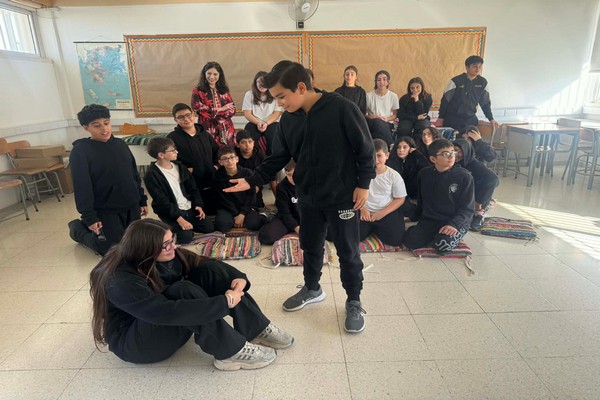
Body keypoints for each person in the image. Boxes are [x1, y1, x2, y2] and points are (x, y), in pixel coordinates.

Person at [224, 60, 375, 334]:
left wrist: (363, 185)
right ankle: (312, 288)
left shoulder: (342, 108)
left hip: (341, 196)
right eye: (275, 98)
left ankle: (354, 299)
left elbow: (365, 150)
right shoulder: (288, 120)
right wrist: (252, 179)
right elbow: (277, 158)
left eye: (282, 96)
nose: (279, 104)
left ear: (302, 87)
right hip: (308, 196)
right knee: (310, 245)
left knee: (348, 251)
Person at [89, 218, 293, 371]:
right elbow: (162, 312)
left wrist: (238, 278)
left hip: (161, 323)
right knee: (183, 291)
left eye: (172, 239)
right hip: (137, 344)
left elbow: (203, 263)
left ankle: (256, 328)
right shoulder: (119, 279)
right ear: (145, 249)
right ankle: (230, 352)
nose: (174, 246)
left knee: (209, 271)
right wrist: (224, 302)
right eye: (166, 244)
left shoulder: (157, 254)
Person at [68, 104, 148, 256]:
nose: (104, 129)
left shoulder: (121, 144)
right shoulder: (81, 151)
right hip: (105, 208)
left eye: (106, 123)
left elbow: (133, 175)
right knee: (111, 250)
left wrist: (141, 200)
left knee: (136, 244)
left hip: (130, 204)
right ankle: (78, 229)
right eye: (97, 125)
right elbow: (82, 186)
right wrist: (89, 217)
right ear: (86, 127)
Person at [403, 139, 474, 252]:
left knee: (442, 244)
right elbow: (421, 201)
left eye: (453, 152)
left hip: (453, 220)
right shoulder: (424, 174)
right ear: (433, 159)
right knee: (410, 241)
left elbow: (467, 209)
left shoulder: (465, 177)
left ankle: (448, 234)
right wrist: (414, 217)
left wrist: (455, 224)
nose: (451, 156)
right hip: (430, 220)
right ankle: (431, 234)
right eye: (446, 154)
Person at [143, 137, 214, 244]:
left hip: (188, 207)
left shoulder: (180, 167)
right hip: (171, 211)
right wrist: (179, 219)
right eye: (172, 150)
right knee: (186, 237)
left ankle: (185, 224)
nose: (176, 152)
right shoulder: (151, 175)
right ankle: (166, 227)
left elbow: (193, 189)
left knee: (209, 227)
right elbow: (162, 201)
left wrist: (198, 205)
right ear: (161, 155)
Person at [167, 103, 220, 215]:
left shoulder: (205, 134)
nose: (186, 119)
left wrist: (216, 166)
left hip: (211, 180)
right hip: (190, 184)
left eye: (188, 115)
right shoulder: (172, 138)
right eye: (181, 117)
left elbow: (217, 153)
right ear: (175, 120)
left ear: (193, 115)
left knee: (214, 212)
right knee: (197, 214)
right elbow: (170, 160)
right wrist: (186, 170)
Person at [359, 139, 406, 246]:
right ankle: (369, 228)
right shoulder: (359, 173)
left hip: (385, 211)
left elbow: (400, 198)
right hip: (364, 211)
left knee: (396, 240)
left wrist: (381, 214)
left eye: (379, 156)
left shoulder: (394, 175)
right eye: (372, 156)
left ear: (387, 155)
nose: (375, 160)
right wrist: (362, 209)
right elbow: (353, 194)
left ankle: (374, 228)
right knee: (353, 236)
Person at [435, 55, 498, 133]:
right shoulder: (456, 81)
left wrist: (491, 119)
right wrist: (440, 118)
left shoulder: (483, 82)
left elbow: (485, 103)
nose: (477, 69)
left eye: (479, 66)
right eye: (474, 66)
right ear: (467, 67)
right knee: (453, 140)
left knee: (470, 140)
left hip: (470, 120)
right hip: (453, 119)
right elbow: (445, 100)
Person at [212, 146, 267, 233]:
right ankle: (233, 219)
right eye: (225, 158)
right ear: (220, 162)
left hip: (246, 206)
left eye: (232, 157)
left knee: (254, 224)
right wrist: (236, 215)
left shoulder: (247, 173)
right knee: (222, 226)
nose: (229, 161)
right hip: (227, 208)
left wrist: (242, 214)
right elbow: (223, 200)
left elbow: (251, 196)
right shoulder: (217, 177)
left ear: (237, 159)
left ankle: (262, 215)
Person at [453, 138, 499, 231]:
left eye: (459, 151)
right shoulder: (451, 161)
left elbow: (493, 179)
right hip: (462, 190)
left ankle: (478, 214)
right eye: (453, 151)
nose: (455, 154)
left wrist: (478, 201)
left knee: (484, 191)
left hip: (476, 191)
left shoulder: (475, 164)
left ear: (466, 151)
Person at [191, 61, 236, 147]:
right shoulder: (198, 90)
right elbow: (197, 108)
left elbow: (232, 110)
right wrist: (221, 109)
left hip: (226, 129)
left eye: (215, 74)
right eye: (209, 73)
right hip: (207, 127)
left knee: (228, 153)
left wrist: (213, 111)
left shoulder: (224, 90)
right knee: (209, 151)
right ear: (204, 74)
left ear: (219, 75)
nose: (212, 77)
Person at [386, 136, 429, 220]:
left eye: (405, 147)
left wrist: (417, 153)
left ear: (410, 148)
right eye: (398, 147)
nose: (401, 150)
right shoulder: (392, 160)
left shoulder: (415, 158)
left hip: (413, 194)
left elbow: (427, 170)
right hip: (397, 194)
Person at [242, 71, 283, 155]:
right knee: (249, 130)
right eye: (259, 82)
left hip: (271, 122)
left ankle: (270, 158)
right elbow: (247, 113)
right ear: (255, 83)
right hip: (255, 122)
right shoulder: (249, 94)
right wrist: (258, 123)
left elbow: (277, 113)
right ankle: (256, 157)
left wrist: (266, 123)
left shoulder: (275, 94)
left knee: (274, 132)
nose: (262, 84)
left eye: (264, 82)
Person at [258, 160, 299, 245]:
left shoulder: (309, 183)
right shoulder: (281, 187)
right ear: (286, 173)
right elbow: (284, 213)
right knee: (266, 236)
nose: (293, 178)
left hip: (306, 217)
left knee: (327, 232)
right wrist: (296, 227)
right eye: (289, 175)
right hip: (287, 218)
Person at [235, 129, 272, 208]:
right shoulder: (233, 155)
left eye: (250, 141)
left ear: (254, 143)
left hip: (255, 186)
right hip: (238, 185)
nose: (247, 145)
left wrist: (257, 185)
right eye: (243, 142)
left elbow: (268, 176)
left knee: (257, 208)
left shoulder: (261, 156)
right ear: (237, 145)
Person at [365, 70, 399, 146]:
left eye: (384, 79)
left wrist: (386, 119)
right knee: (377, 122)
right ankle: (391, 145)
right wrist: (371, 117)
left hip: (387, 122)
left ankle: (378, 149)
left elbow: (395, 114)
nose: (381, 82)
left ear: (388, 82)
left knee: (378, 130)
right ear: (376, 82)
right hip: (372, 122)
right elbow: (364, 114)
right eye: (379, 80)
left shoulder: (393, 96)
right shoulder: (368, 96)